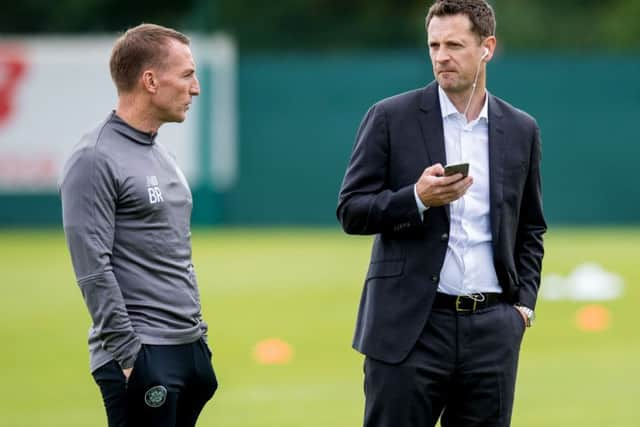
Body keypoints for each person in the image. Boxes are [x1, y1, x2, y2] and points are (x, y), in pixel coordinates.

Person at [336, 1, 546, 426]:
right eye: (434, 44)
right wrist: (416, 198)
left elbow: (531, 225)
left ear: (487, 47)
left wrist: (522, 307)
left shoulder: (521, 128)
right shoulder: (390, 117)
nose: (440, 56)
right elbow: (351, 210)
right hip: (409, 330)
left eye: (454, 44)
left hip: (492, 331)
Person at [60, 23, 217, 427]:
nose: (195, 88)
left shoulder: (163, 155)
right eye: (186, 75)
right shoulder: (94, 157)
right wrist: (130, 356)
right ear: (150, 80)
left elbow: (176, 250)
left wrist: (198, 337)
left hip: (188, 347)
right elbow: (93, 268)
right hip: (142, 353)